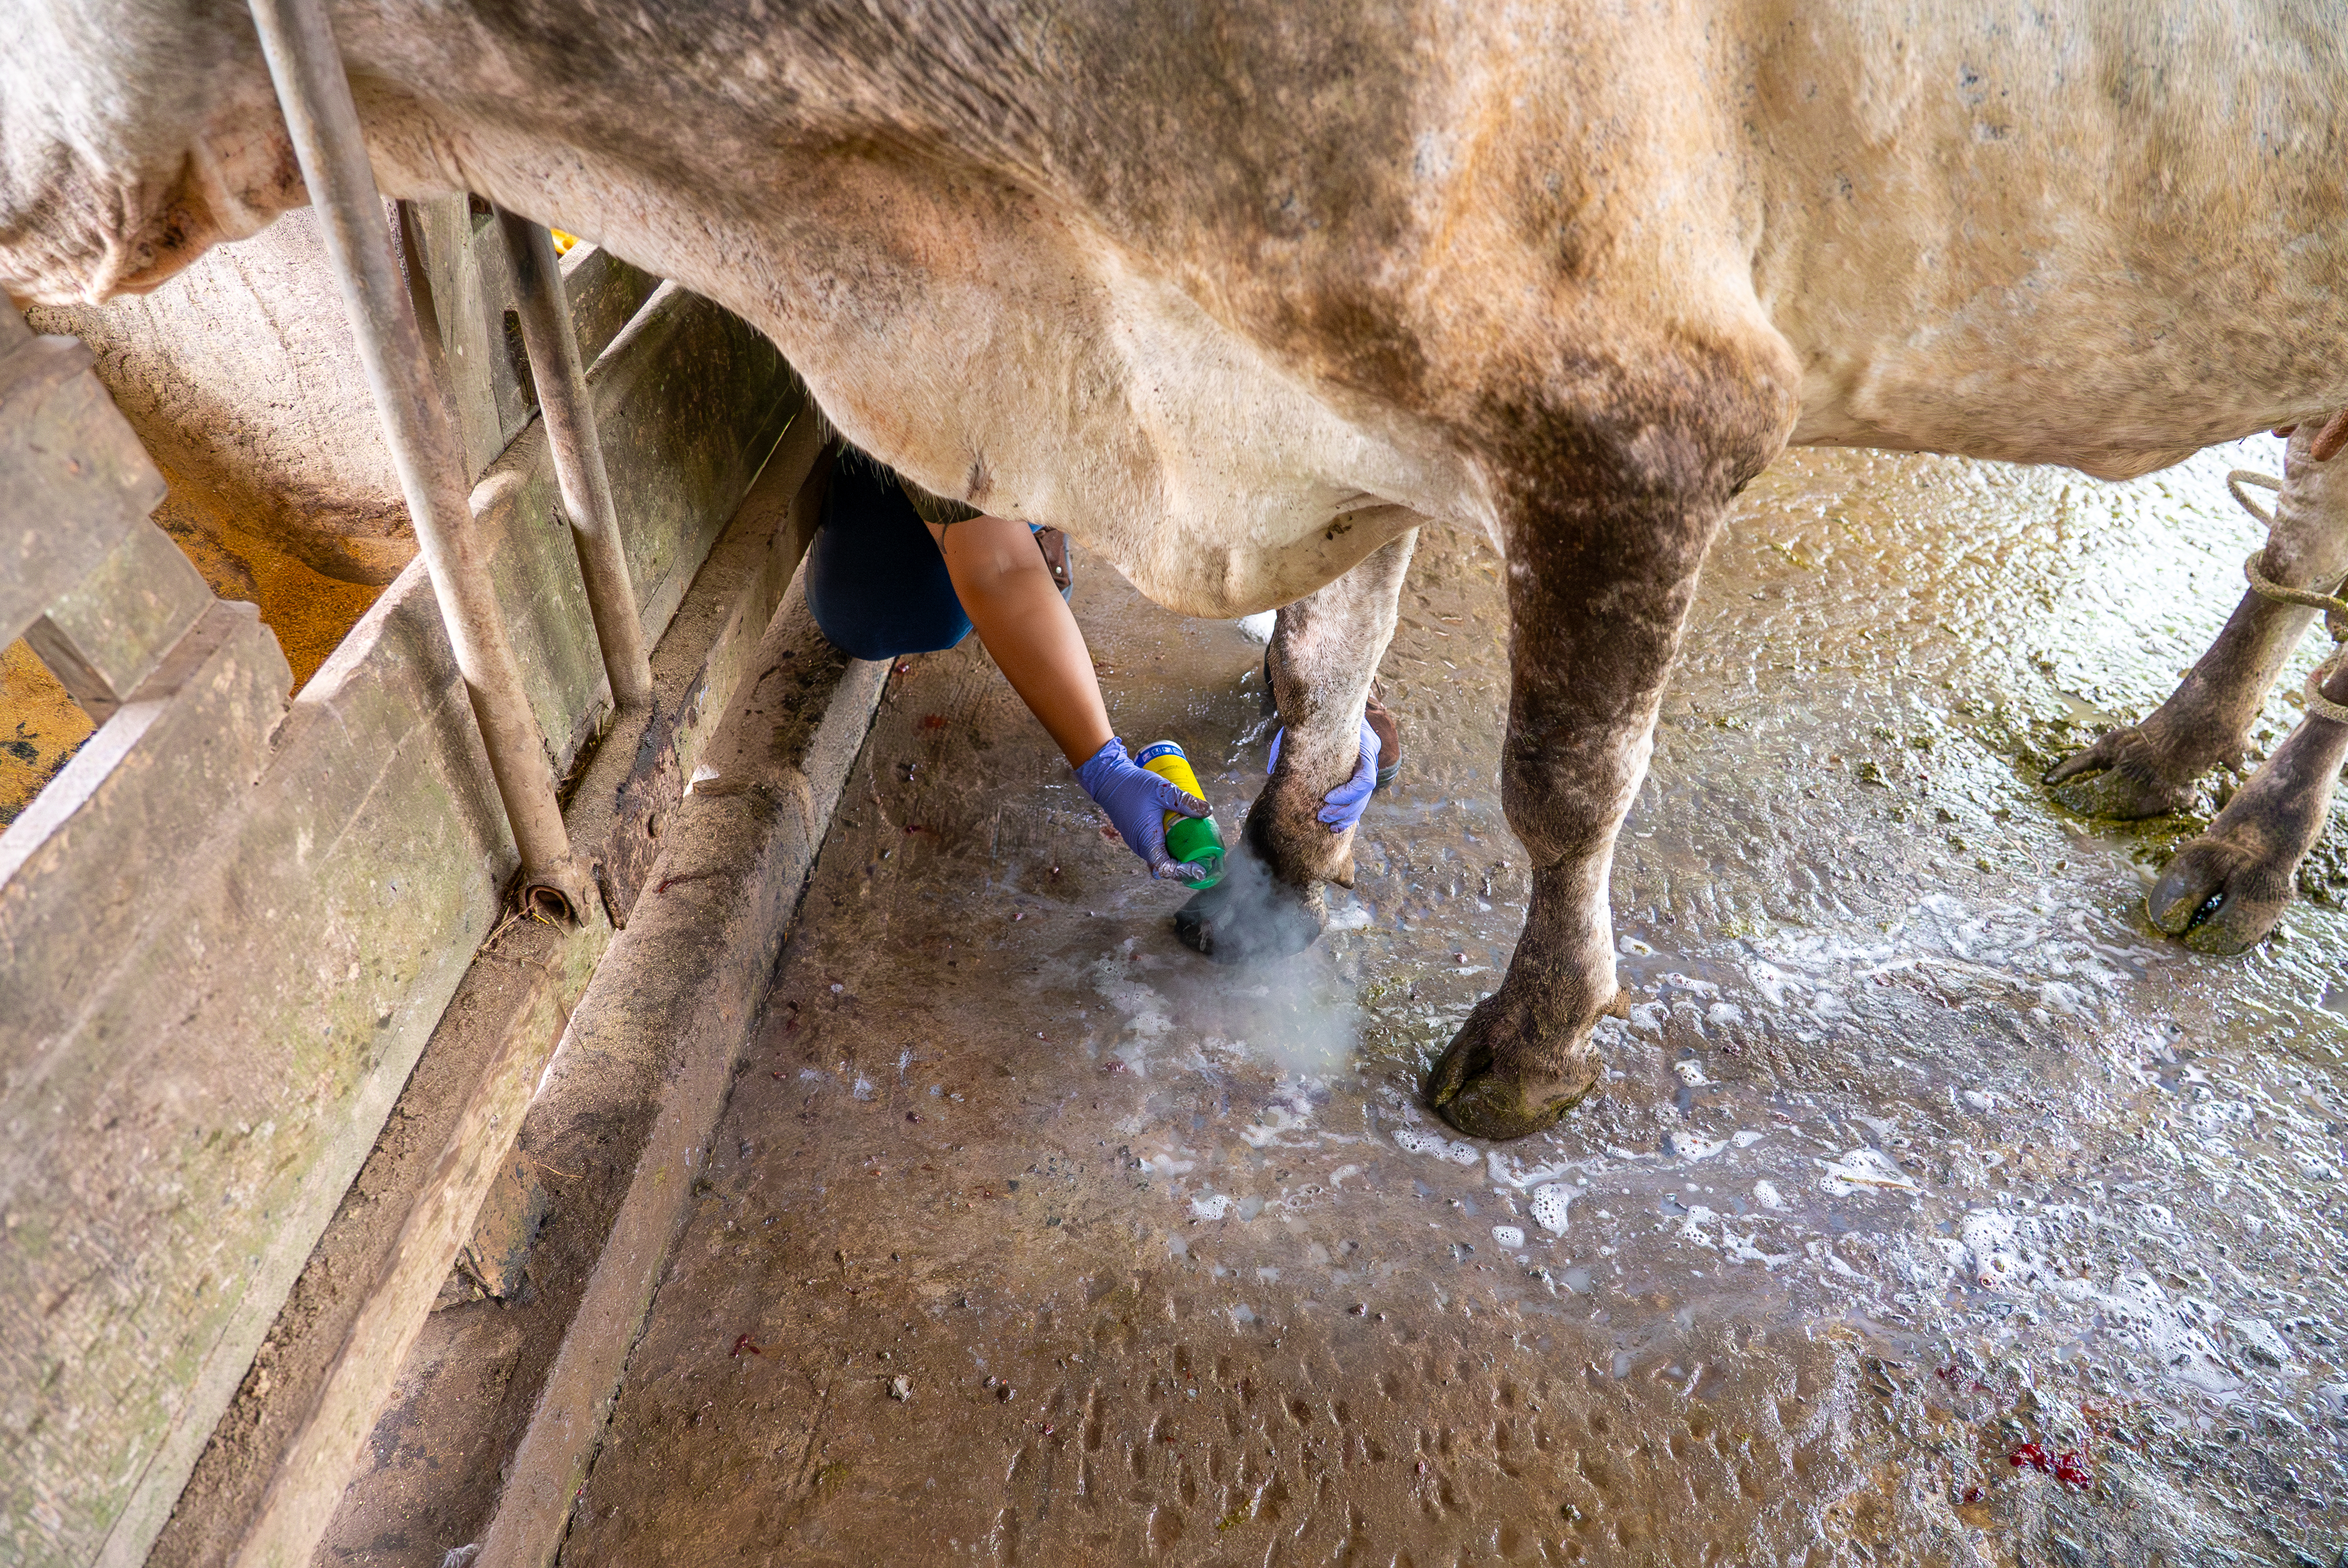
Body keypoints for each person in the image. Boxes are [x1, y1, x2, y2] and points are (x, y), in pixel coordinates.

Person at [802, 440, 1394, 881]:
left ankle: (1040, 497)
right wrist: (1102, 764)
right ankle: (1026, 504)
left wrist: (1335, 691)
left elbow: (1324, 475)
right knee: (882, 609)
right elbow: (995, 568)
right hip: (994, 413)